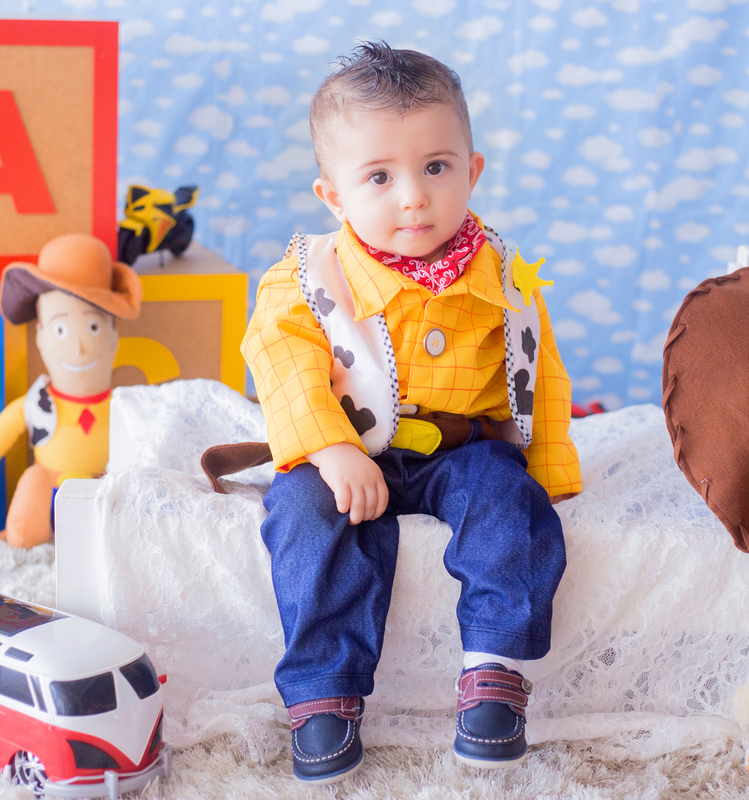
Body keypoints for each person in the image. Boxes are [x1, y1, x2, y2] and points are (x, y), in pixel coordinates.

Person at [241, 42, 582, 784]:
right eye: (379, 176)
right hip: (351, 447)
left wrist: (549, 470)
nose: (413, 197)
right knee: (304, 518)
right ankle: (324, 695)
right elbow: (283, 367)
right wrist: (331, 452)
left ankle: (496, 671)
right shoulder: (306, 276)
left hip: (462, 451)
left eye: (436, 167)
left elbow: (538, 371)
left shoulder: (505, 273)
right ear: (333, 195)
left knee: (509, 504)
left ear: (472, 169)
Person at [0, 233, 142, 548]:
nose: (78, 345)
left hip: (99, 484)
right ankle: (24, 537)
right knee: (33, 481)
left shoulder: (124, 405)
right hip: (48, 484)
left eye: (94, 327)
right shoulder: (35, 404)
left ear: (114, 335)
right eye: (61, 329)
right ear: (41, 337)